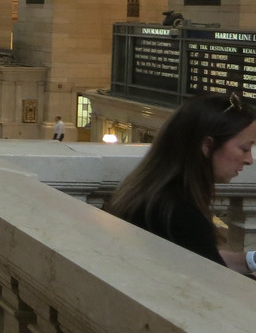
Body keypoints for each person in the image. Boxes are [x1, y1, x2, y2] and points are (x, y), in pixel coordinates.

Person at [106, 92, 256, 272]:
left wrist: (249, 260)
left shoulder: (152, 193)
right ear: (207, 146)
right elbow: (212, 281)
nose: (250, 160)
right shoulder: (181, 214)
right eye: (244, 149)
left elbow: (200, 257)